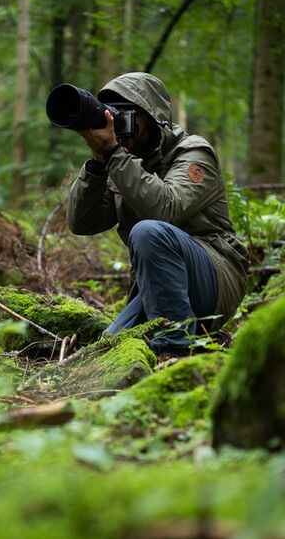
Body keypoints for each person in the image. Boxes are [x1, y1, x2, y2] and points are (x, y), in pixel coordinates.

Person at [67, 72, 249, 358]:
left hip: (214, 277)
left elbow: (165, 209)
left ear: (153, 115)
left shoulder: (193, 153)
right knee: (106, 350)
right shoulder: (121, 160)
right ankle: (205, 340)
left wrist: (114, 154)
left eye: (127, 117)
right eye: (114, 118)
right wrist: (98, 164)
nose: (120, 127)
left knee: (148, 231)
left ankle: (176, 352)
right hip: (155, 286)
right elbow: (82, 223)